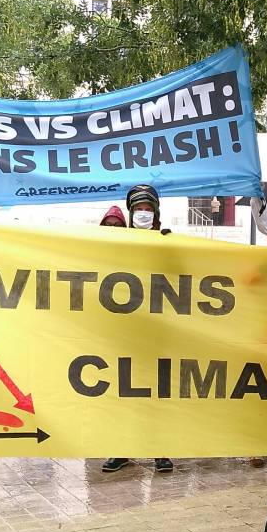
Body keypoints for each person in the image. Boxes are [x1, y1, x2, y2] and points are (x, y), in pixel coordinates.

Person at [104, 185, 177, 473]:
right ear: (131, 212)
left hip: (157, 332)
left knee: (156, 393)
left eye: (148, 209)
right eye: (139, 209)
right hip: (123, 330)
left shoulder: (165, 240)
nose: (144, 214)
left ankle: (160, 450)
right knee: (122, 391)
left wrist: (172, 247)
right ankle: (121, 449)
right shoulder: (116, 242)